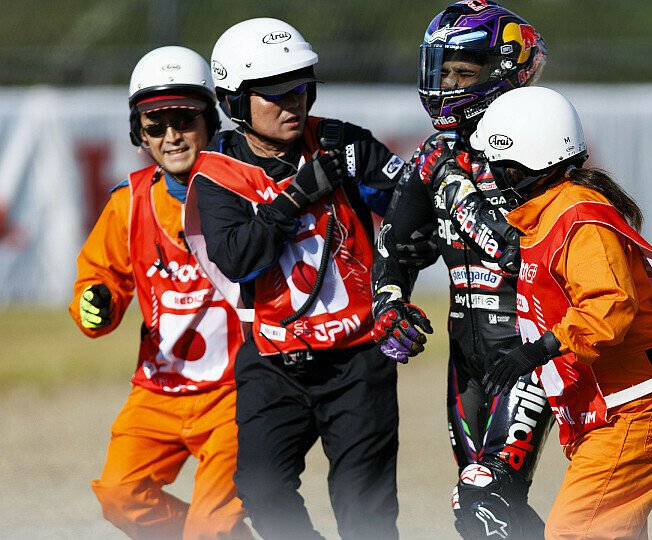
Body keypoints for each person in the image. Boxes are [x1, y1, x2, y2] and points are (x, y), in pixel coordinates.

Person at [182, 17, 409, 540]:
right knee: (261, 490)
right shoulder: (217, 174)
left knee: (366, 512)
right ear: (234, 101)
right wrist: (294, 197)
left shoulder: (343, 144)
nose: (295, 103)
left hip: (359, 356)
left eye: (303, 87)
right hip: (272, 360)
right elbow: (238, 259)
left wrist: (406, 246)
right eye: (276, 94)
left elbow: (406, 202)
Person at [470, 86, 652, 539]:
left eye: (498, 168)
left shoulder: (579, 216)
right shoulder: (549, 214)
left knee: (574, 532)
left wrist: (538, 351)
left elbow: (609, 305)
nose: (492, 178)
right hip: (610, 408)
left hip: (634, 409)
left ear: (526, 163)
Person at [370, 2, 553, 538]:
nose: (447, 85)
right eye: (442, 70)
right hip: (467, 363)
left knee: (483, 498)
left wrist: (454, 186)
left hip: (531, 356)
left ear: (506, 72)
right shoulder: (436, 155)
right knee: (483, 508)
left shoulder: (536, 152)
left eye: (464, 72)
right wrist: (388, 304)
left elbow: (519, 250)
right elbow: (396, 247)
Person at [69, 46, 252, 539]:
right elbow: (96, 281)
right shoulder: (128, 203)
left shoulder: (249, 190)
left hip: (236, 390)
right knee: (120, 496)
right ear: (139, 133)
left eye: (184, 118)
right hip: (159, 389)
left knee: (210, 526)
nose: (171, 135)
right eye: (155, 123)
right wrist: (96, 305)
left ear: (210, 120)